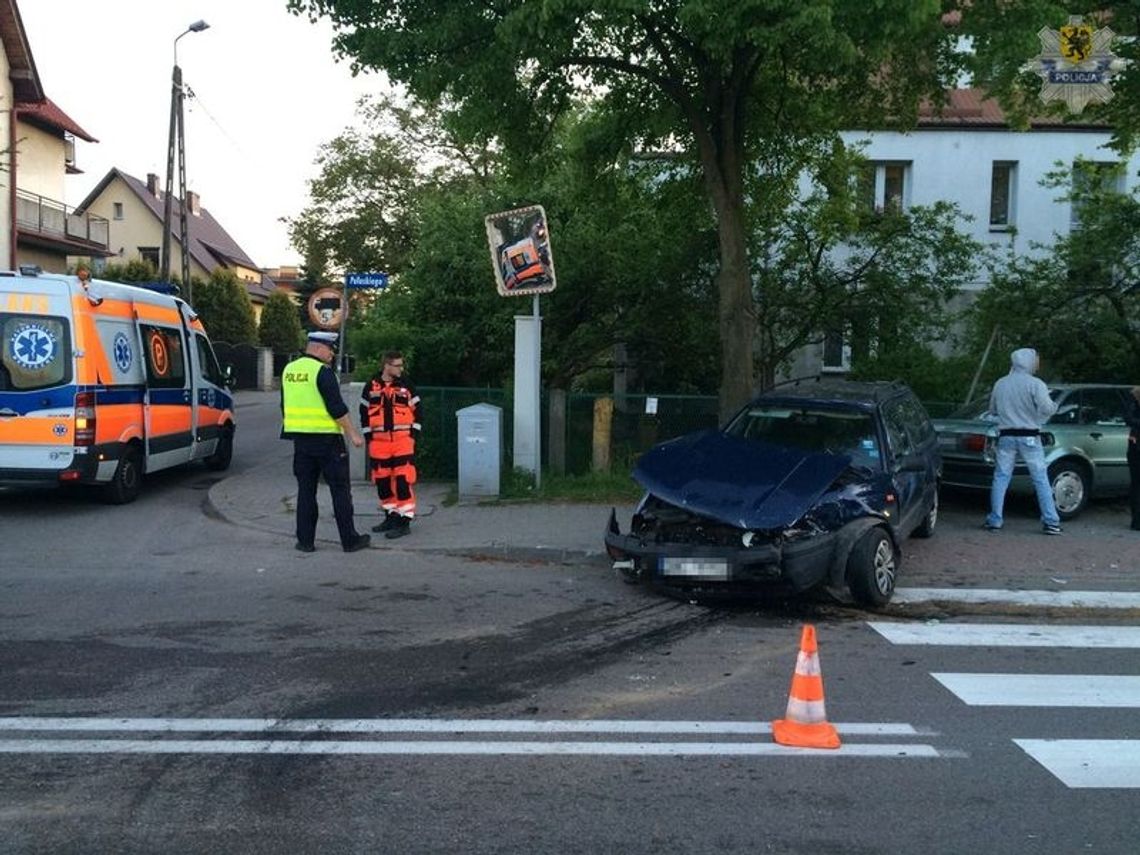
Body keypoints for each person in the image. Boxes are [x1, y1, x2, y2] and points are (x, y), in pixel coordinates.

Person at [280, 331, 370, 553]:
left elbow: (285, 405)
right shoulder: (322, 372)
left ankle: (305, 542)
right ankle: (349, 541)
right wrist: (353, 434)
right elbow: (337, 408)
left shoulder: (289, 370)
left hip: (300, 441)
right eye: (330, 349)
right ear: (319, 348)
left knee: (306, 491)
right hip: (327, 441)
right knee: (340, 490)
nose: (332, 354)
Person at [984, 347, 1063, 535]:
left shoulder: (1001, 383)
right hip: (1029, 436)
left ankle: (995, 519)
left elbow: (992, 410)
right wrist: (1055, 406)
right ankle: (1051, 521)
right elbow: (1047, 408)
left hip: (1006, 436)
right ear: (1029, 362)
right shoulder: (1036, 384)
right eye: (1036, 360)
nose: (1038, 364)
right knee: (1040, 479)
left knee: (1001, 477)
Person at [360, 351, 422, 539]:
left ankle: (404, 522)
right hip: (379, 443)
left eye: (401, 365)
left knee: (403, 480)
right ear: (387, 366)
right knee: (383, 483)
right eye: (398, 365)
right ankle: (391, 517)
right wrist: (369, 437)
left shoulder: (407, 385)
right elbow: (363, 412)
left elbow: (419, 410)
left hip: (402, 441)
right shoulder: (371, 386)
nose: (401, 369)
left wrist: (413, 435)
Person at [1126, 386, 1140, 531]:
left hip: (1135, 446)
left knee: (1136, 484)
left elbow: (1129, 419)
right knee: (1137, 484)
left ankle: (1136, 520)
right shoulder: (1134, 402)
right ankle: (1136, 520)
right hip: (1136, 447)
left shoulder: (1133, 402)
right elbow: (1129, 419)